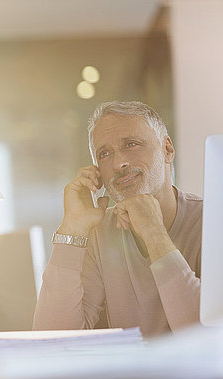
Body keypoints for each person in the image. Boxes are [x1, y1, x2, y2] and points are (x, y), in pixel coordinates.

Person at [33, 101, 202, 337]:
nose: (118, 163)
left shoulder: (212, 221)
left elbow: (207, 337)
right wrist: (73, 229)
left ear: (167, 150)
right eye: (104, 154)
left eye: (131, 144)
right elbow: (53, 339)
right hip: (129, 374)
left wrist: (154, 232)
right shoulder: (99, 232)